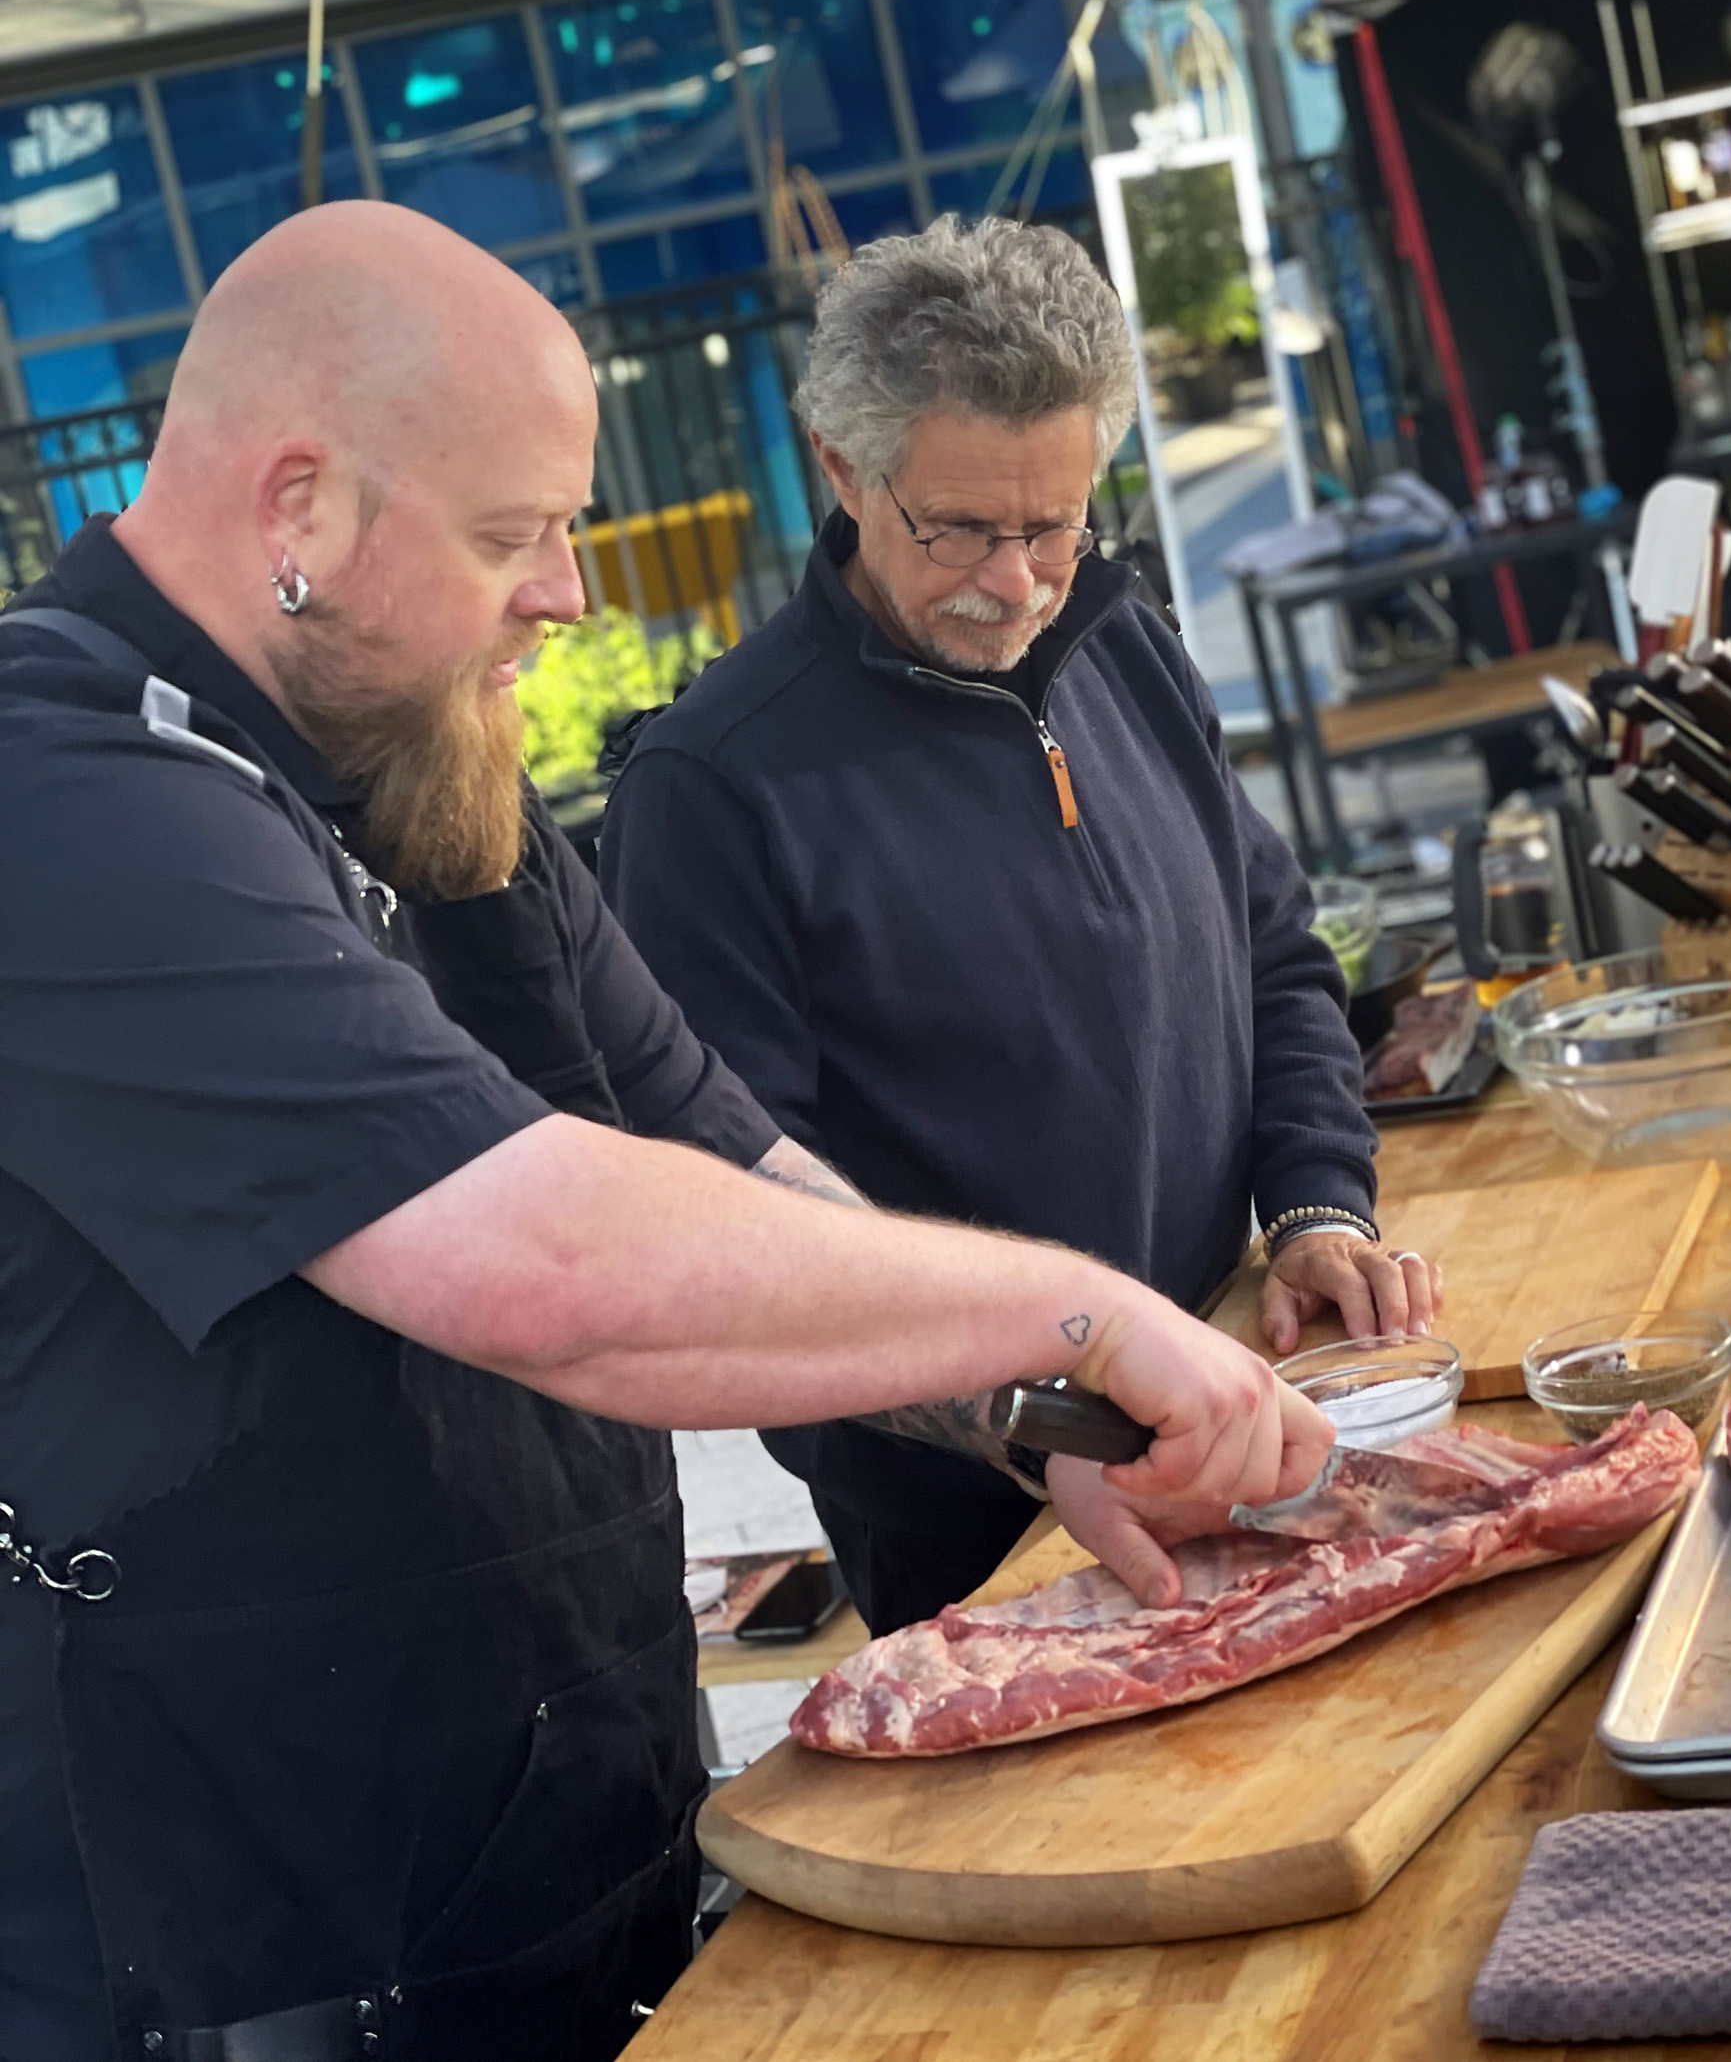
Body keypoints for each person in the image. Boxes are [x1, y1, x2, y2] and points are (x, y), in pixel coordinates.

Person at [0, 201, 1332, 2062]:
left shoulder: (415, 754)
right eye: (513, 535)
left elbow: (730, 1162)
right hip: (249, 1945)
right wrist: (1088, 1315)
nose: (567, 594)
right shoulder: (64, 795)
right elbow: (539, 1260)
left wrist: (1052, 1420)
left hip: (560, 1826)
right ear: (298, 508)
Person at [600, 215, 1438, 1637]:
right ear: (841, 468)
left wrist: (1314, 1201)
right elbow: (743, 1249)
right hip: (982, 1539)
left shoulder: (1125, 641)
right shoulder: (708, 790)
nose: (1019, 582)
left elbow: (1276, 954)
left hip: (1239, 1389)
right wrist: (1055, 1424)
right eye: (963, 531)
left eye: (1056, 525)